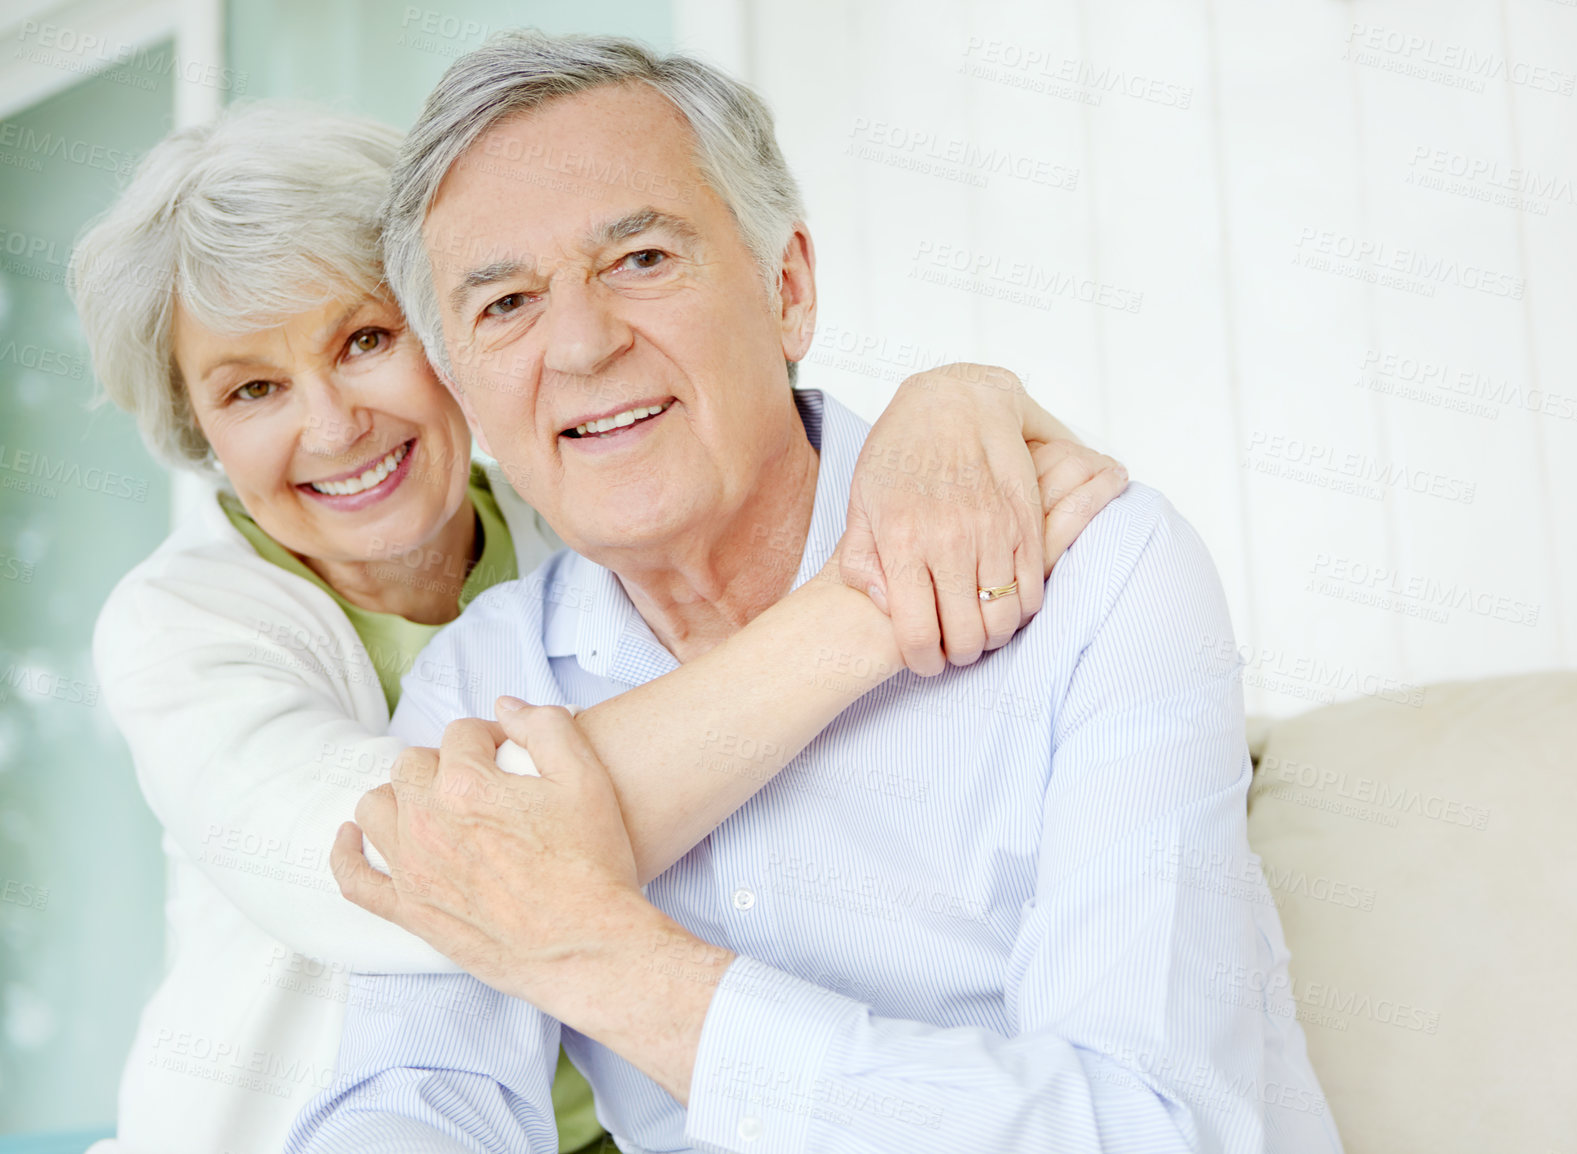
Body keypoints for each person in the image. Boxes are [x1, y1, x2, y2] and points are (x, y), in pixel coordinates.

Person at [288, 33, 1342, 1154]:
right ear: (462, 385)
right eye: (504, 304)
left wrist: (597, 953)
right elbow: (410, 1101)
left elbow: (1149, 1128)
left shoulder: (1093, 567)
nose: (584, 344)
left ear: (786, 289)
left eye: (641, 257)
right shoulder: (484, 676)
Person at [70, 101, 1123, 1154]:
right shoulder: (179, 627)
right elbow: (419, 866)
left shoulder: (580, 513)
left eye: (367, 340)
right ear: (194, 426)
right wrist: (873, 605)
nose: (334, 425)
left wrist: (954, 400)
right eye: (252, 388)